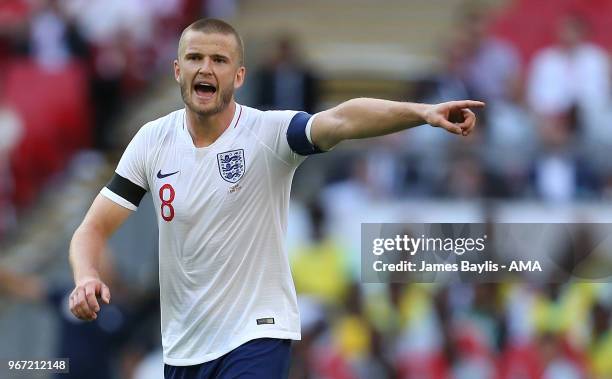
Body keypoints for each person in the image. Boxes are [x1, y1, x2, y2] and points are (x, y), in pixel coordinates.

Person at [68, 18, 484, 379]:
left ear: (239, 76)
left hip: (256, 333)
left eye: (219, 60)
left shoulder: (268, 134)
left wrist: (421, 113)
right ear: (178, 70)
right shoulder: (151, 142)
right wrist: (86, 275)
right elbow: (93, 228)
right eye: (195, 58)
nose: (205, 68)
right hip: (184, 346)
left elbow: (341, 119)